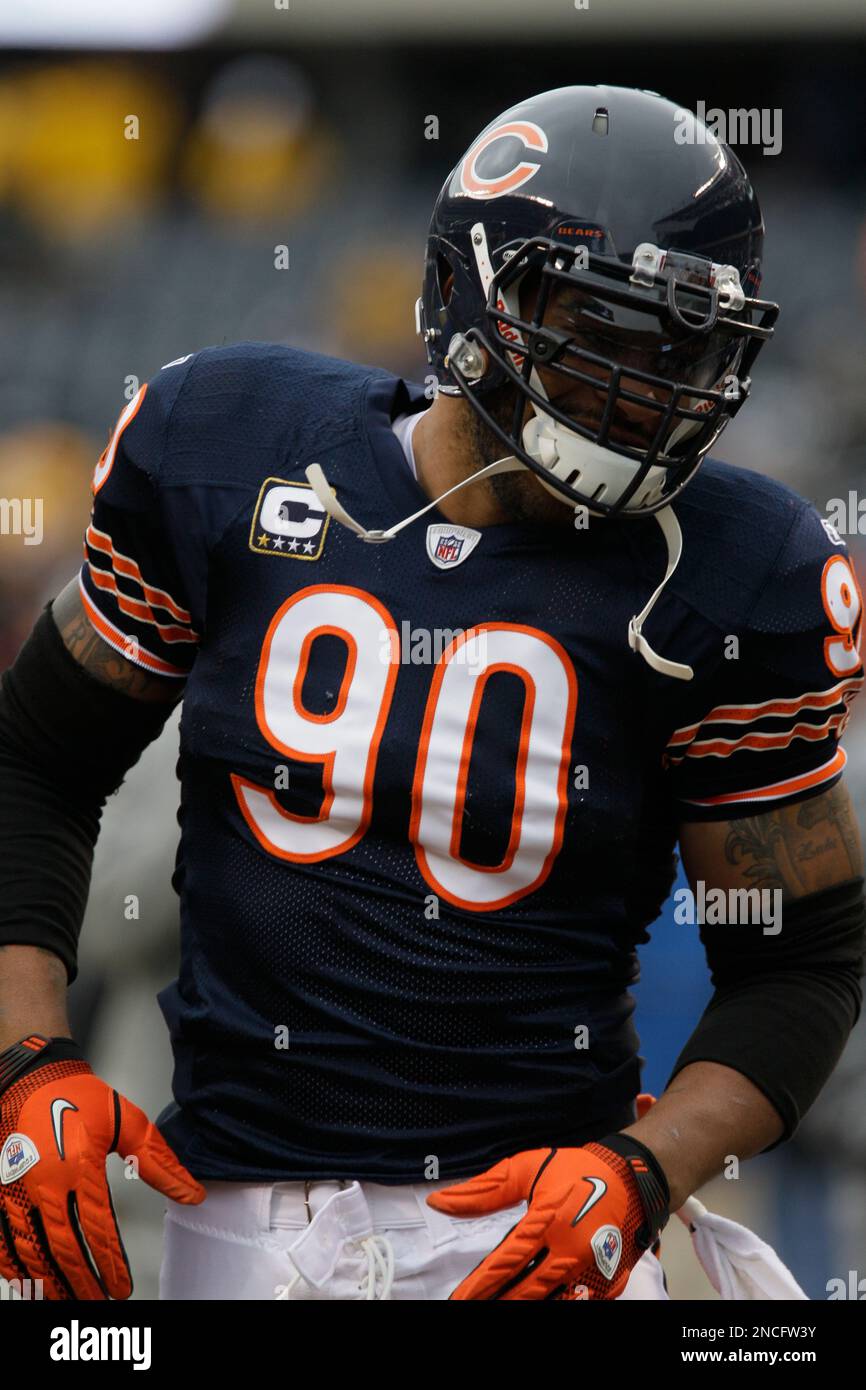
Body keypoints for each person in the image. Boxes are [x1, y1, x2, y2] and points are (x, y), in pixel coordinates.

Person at [0, 85, 863, 1302]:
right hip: (228, 1214)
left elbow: (800, 960)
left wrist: (641, 1172)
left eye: (677, 348)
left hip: (538, 1229)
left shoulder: (739, 570)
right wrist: (25, 1061)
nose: (640, 387)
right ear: (470, 293)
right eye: (595, 328)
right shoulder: (225, 441)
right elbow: (33, 762)